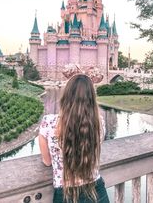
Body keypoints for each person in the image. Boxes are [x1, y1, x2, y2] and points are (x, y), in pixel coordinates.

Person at [39, 74, 110, 203]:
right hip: (96, 191)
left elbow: (47, 161)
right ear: (92, 98)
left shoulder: (48, 123)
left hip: (66, 194)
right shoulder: (99, 123)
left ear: (66, 96)